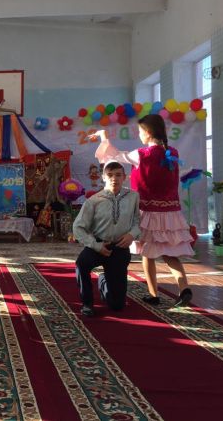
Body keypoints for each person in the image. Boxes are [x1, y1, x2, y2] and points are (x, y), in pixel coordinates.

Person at [94, 114, 194, 307]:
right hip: (170, 213)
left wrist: (104, 137)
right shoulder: (172, 153)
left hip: (148, 211)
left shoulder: (141, 154)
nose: (139, 135)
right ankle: (184, 288)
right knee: (170, 254)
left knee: (147, 253)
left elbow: (114, 156)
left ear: (147, 133)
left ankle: (153, 294)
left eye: (140, 131)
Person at [73, 162, 140, 316]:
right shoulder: (94, 200)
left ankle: (103, 280)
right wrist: (95, 245)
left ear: (124, 177)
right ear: (103, 177)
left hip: (120, 247)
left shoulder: (133, 197)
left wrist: (132, 235)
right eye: (110, 175)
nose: (114, 178)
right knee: (82, 264)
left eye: (118, 175)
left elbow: (138, 221)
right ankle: (87, 303)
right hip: (98, 245)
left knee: (117, 306)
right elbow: (78, 227)